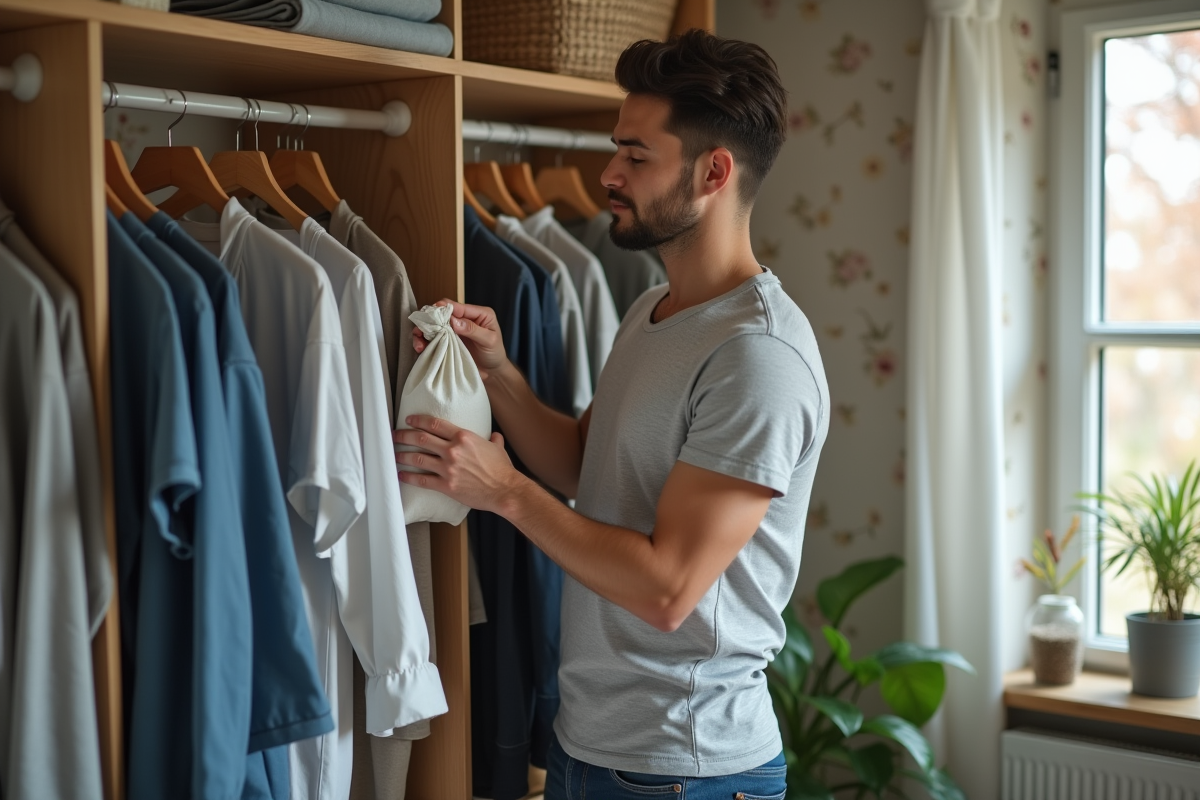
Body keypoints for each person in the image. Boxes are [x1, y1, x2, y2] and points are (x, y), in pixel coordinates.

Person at [393, 29, 829, 799]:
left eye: (636, 154)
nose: (607, 174)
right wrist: (500, 376)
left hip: (686, 768)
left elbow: (668, 588)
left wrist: (504, 493)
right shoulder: (653, 311)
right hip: (590, 744)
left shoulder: (758, 357)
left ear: (713, 172)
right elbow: (582, 463)